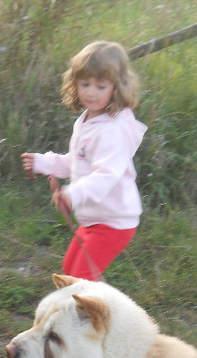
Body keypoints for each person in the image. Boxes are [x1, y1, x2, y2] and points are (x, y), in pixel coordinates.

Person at [21, 40, 147, 281]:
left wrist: (72, 195)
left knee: (79, 280)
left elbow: (106, 175)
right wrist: (44, 163)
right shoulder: (88, 120)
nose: (91, 92)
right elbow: (79, 162)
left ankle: (93, 316)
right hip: (94, 217)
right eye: (85, 84)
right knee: (70, 270)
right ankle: (96, 312)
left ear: (116, 87)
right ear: (74, 83)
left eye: (100, 86)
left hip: (113, 221)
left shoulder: (112, 130)